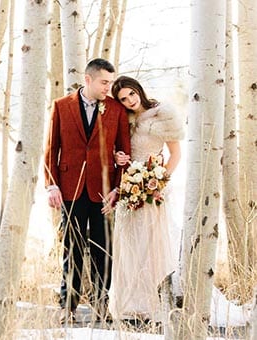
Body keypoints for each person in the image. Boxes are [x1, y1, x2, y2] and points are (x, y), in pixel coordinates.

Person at [43, 59, 131, 324]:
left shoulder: (116, 110)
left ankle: (102, 307)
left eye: (111, 83)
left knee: (103, 251)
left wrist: (118, 188)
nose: (109, 88)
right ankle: (66, 307)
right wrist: (52, 185)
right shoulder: (61, 106)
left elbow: (124, 152)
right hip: (70, 189)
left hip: (104, 193)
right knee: (73, 250)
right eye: (105, 82)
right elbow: (51, 148)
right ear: (88, 79)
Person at [107, 76, 185, 324]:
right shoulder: (124, 120)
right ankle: (130, 304)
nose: (130, 101)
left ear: (138, 89)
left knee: (151, 244)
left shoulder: (162, 114)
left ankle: (153, 303)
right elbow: (119, 150)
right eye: (123, 99)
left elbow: (175, 154)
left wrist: (159, 182)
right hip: (128, 188)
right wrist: (118, 157)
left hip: (153, 190)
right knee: (128, 246)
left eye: (131, 94)